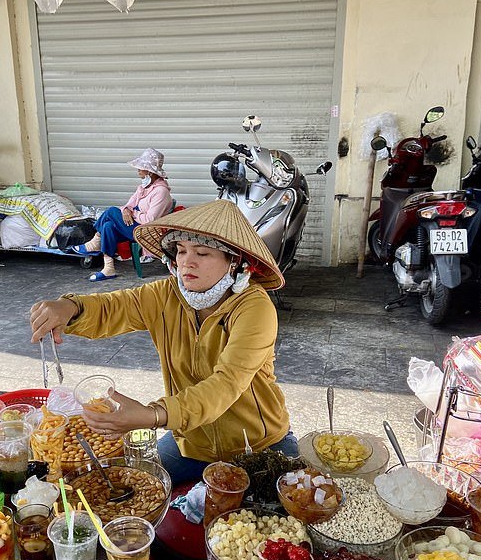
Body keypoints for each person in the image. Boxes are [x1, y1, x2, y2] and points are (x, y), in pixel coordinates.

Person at [30, 200, 297, 485]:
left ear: (235, 262)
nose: (186, 262)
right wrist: (70, 308)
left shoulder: (254, 307)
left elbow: (226, 384)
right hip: (192, 443)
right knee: (133, 487)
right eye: (181, 251)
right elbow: (114, 307)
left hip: (260, 444)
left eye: (203, 253)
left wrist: (153, 415)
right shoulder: (166, 295)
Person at [74, 148, 173, 281]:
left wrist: (133, 213)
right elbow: (128, 205)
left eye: (141, 168)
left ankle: (95, 241)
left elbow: (150, 219)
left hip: (146, 231)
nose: (138, 171)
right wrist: (126, 210)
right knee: (108, 226)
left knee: (111, 212)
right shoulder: (143, 188)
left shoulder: (161, 192)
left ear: (149, 171)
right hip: (133, 226)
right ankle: (108, 268)